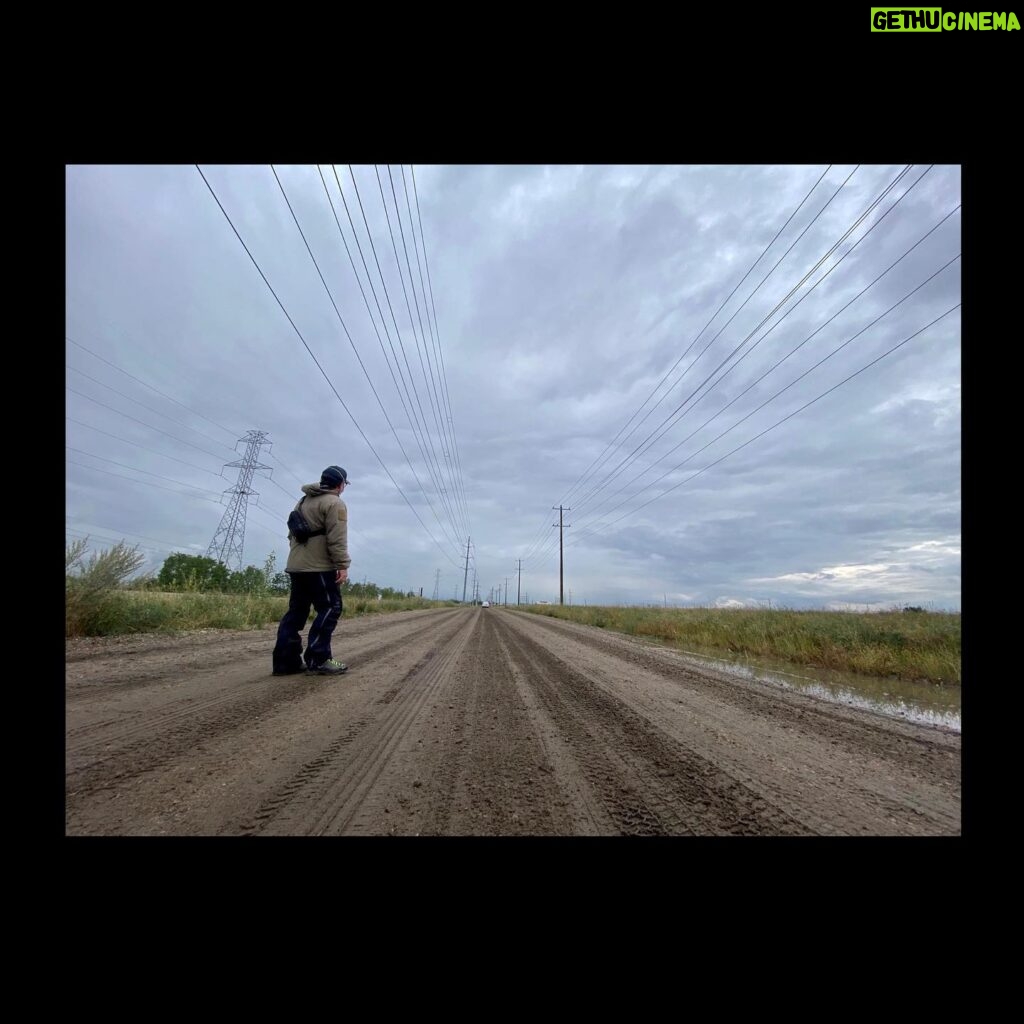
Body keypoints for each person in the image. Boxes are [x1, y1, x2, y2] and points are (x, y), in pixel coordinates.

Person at [272, 465, 352, 675]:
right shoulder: (335, 503)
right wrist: (342, 565)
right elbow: (337, 540)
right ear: (340, 484)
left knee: (296, 613)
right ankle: (319, 658)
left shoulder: (303, 501)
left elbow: (292, 534)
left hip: (297, 566)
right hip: (320, 567)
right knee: (331, 607)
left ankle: (285, 663)